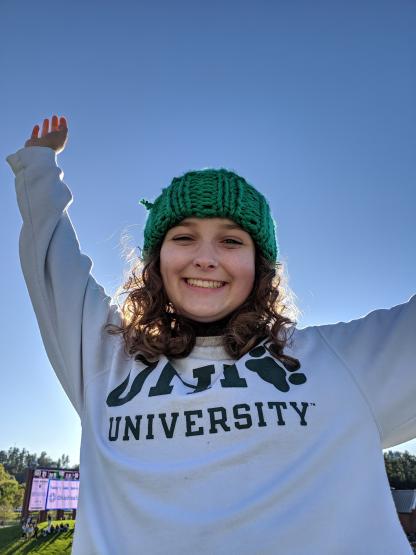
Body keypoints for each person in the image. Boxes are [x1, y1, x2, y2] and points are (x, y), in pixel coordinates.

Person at [7, 114, 416, 555]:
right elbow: (53, 261)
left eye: (231, 241)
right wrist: (39, 164)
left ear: (260, 266)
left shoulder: (344, 363)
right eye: (183, 237)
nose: (205, 258)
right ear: (155, 262)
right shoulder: (105, 362)